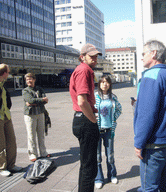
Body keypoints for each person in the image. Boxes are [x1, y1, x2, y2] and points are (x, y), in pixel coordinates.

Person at [134, 40, 166, 192]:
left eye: (143, 53)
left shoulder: (151, 76)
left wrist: (139, 143)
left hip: (155, 143)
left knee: (149, 188)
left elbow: (147, 115)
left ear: (153, 53)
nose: (141, 57)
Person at [70, 43, 102, 192]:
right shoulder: (84, 70)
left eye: (96, 56)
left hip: (81, 119)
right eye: (91, 56)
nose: (95, 59)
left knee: (86, 165)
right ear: (82, 57)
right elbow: (82, 101)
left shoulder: (83, 69)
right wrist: (93, 120)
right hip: (85, 120)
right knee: (89, 167)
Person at [94, 75, 122, 189]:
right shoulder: (95, 96)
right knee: (97, 156)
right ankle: (98, 178)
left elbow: (119, 109)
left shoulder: (113, 97)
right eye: (102, 82)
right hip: (96, 130)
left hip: (109, 130)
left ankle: (112, 175)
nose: (104, 84)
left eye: (107, 82)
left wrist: (113, 118)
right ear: (99, 84)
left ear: (110, 84)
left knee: (110, 155)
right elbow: (90, 109)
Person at [22, 73, 51, 162]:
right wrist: (40, 100)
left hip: (40, 113)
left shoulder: (39, 89)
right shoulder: (25, 91)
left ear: (34, 79)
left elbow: (45, 100)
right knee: (31, 135)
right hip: (30, 115)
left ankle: (43, 152)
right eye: (27, 79)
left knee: (41, 134)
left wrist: (33, 103)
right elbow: (29, 100)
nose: (28, 81)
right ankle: (32, 154)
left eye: (30, 79)